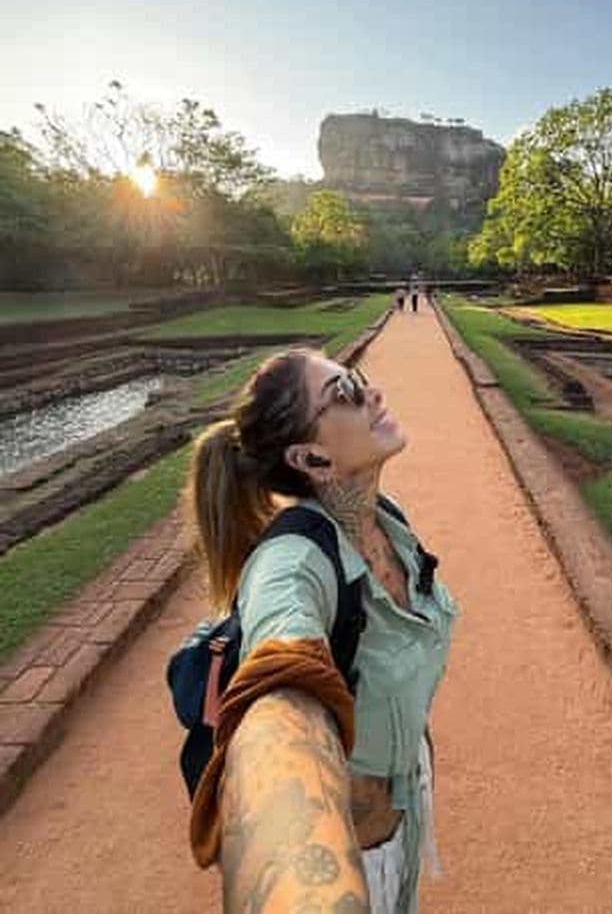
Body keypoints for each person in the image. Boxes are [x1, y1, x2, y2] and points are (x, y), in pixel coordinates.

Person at [184, 349, 457, 913]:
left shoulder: (386, 519)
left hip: (404, 809)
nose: (373, 392)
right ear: (312, 457)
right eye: (346, 392)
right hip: (362, 855)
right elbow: (280, 673)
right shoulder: (290, 566)